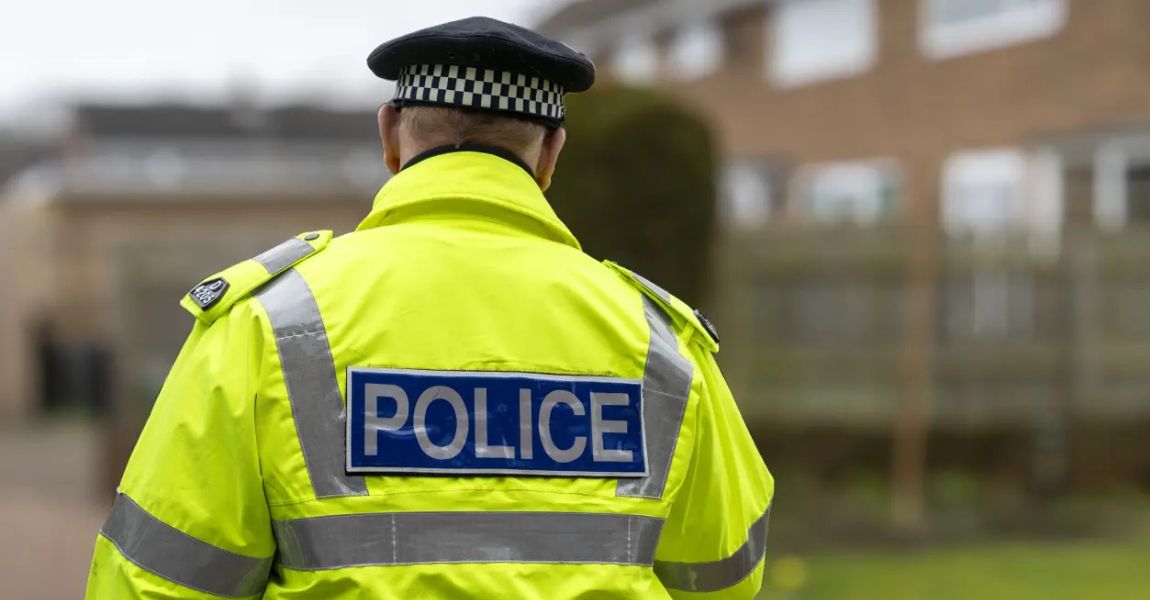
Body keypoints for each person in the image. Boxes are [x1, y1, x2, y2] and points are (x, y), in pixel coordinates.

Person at [85, 16, 774, 599]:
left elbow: (154, 581)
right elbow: (726, 574)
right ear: (551, 155)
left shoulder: (270, 324)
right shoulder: (661, 344)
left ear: (390, 134)